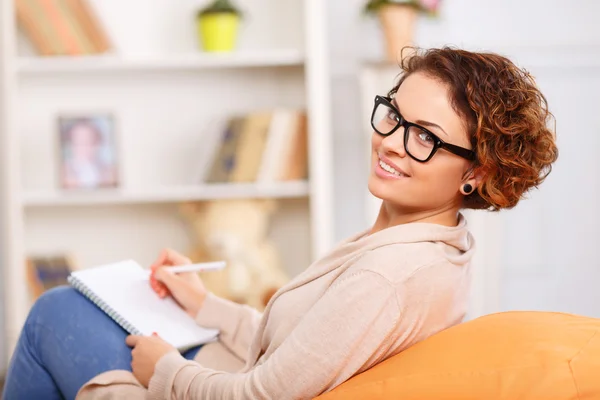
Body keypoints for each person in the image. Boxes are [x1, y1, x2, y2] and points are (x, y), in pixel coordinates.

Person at [2, 47, 559, 399]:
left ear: (477, 171)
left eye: (426, 137)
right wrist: (203, 304)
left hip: (206, 387)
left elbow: (265, 395)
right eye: (394, 117)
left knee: (52, 314)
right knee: (74, 307)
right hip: (225, 366)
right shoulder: (428, 240)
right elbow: (301, 350)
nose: (390, 144)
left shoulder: (390, 274)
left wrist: (164, 369)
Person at [61, 118, 118, 189]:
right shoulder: (63, 171)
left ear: (98, 142)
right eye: (79, 141)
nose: (84, 146)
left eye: (89, 141)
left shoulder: (111, 171)